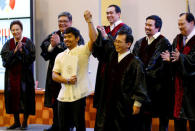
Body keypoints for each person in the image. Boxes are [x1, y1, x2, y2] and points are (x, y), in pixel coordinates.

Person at [85, 10, 148, 131]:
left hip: (124, 105)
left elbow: (139, 84)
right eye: (115, 41)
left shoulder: (135, 62)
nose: (116, 44)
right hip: (108, 103)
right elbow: (99, 43)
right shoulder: (111, 56)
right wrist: (90, 22)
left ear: (128, 44)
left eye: (119, 42)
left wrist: (138, 103)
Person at [51, 11, 96, 131]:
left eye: (69, 36)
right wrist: (66, 80)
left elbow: (94, 39)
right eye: (65, 37)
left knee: (79, 126)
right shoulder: (60, 55)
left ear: (77, 38)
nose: (66, 39)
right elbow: (54, 75)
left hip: (78, 96)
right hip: (63, 97)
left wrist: (89, 21)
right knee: (63, 127)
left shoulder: (83, 50)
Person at [40, 12, 84, 131]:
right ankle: (56, 125)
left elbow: (79, 52)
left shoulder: (76, 35)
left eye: (65, 21)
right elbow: (45, 52)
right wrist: (52, 45)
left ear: (70, 22)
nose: (62, 23)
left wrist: (59, 44)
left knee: (70, 102)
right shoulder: (53, 35)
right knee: (56, 102)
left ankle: (69, 126)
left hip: (70, 75)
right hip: (54, 75)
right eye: (60, 21)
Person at [132, 15, 173, 131]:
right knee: (144, 121)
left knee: (162, 121)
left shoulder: (164, 43)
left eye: (150, 25)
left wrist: (142, 76)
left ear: (158, 27)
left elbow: (158, 66)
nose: (147, 27)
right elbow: (134, 62)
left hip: (159, 89)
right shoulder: (140, 42)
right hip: (143, 89)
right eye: (146, 24)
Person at [92, 4, 132, 110]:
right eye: (107, 13)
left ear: (118, 14)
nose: (108, 15)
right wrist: (98, 41)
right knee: (103, 102)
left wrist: (105, 37)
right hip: (103, 68)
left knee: (114, 103)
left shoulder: (125, 29)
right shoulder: (105, 29)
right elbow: (97, 52)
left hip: (117, 68)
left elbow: (118, 49)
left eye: (111, 13)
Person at [161, 12, 195, 131]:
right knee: (179, 122)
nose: (180, 27)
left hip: (192, 90)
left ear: (192, 23)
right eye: (178, 24)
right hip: (179, 88)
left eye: (182, 24)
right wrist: (170, 60)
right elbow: (174, 57)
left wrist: (181, 58)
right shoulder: (178, 38)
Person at [1, 20, 35, 130]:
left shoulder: (28, 42)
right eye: (13, 30)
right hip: (12, 77)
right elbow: (5, 60)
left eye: (17, 29)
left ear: (21, 30)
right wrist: (14, 51)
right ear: (11, 31)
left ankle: (24, 122)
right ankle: (16, 122)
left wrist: (23, 50)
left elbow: (31, 58)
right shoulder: (8, 44)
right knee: (13, 98)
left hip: (25, 77)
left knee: (26, 98)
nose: (15, 32)